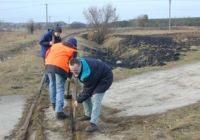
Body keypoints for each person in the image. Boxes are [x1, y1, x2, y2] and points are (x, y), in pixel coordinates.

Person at [69, 57, 113, 132]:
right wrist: (72, 75)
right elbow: (86, 91)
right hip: (95, 75)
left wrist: (78, 100)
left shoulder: (87, 73)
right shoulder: (78, 63)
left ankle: (93, 124)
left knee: (96, 98)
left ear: (80, 66)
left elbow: (88, 91)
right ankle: (88, 114)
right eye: (72, 70)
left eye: (75, 70)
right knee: (84, 95)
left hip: (104, 78)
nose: (74, 72)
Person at [45, 37, 77, 120]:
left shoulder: (56, 45)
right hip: (60, 68)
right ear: (74, 45)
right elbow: (72, 64)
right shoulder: (73, 50)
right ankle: (59, 112)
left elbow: (46, 53)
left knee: (52, 85)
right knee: (60, 89)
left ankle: (54, 104)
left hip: (48, 65)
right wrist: (69, 76)